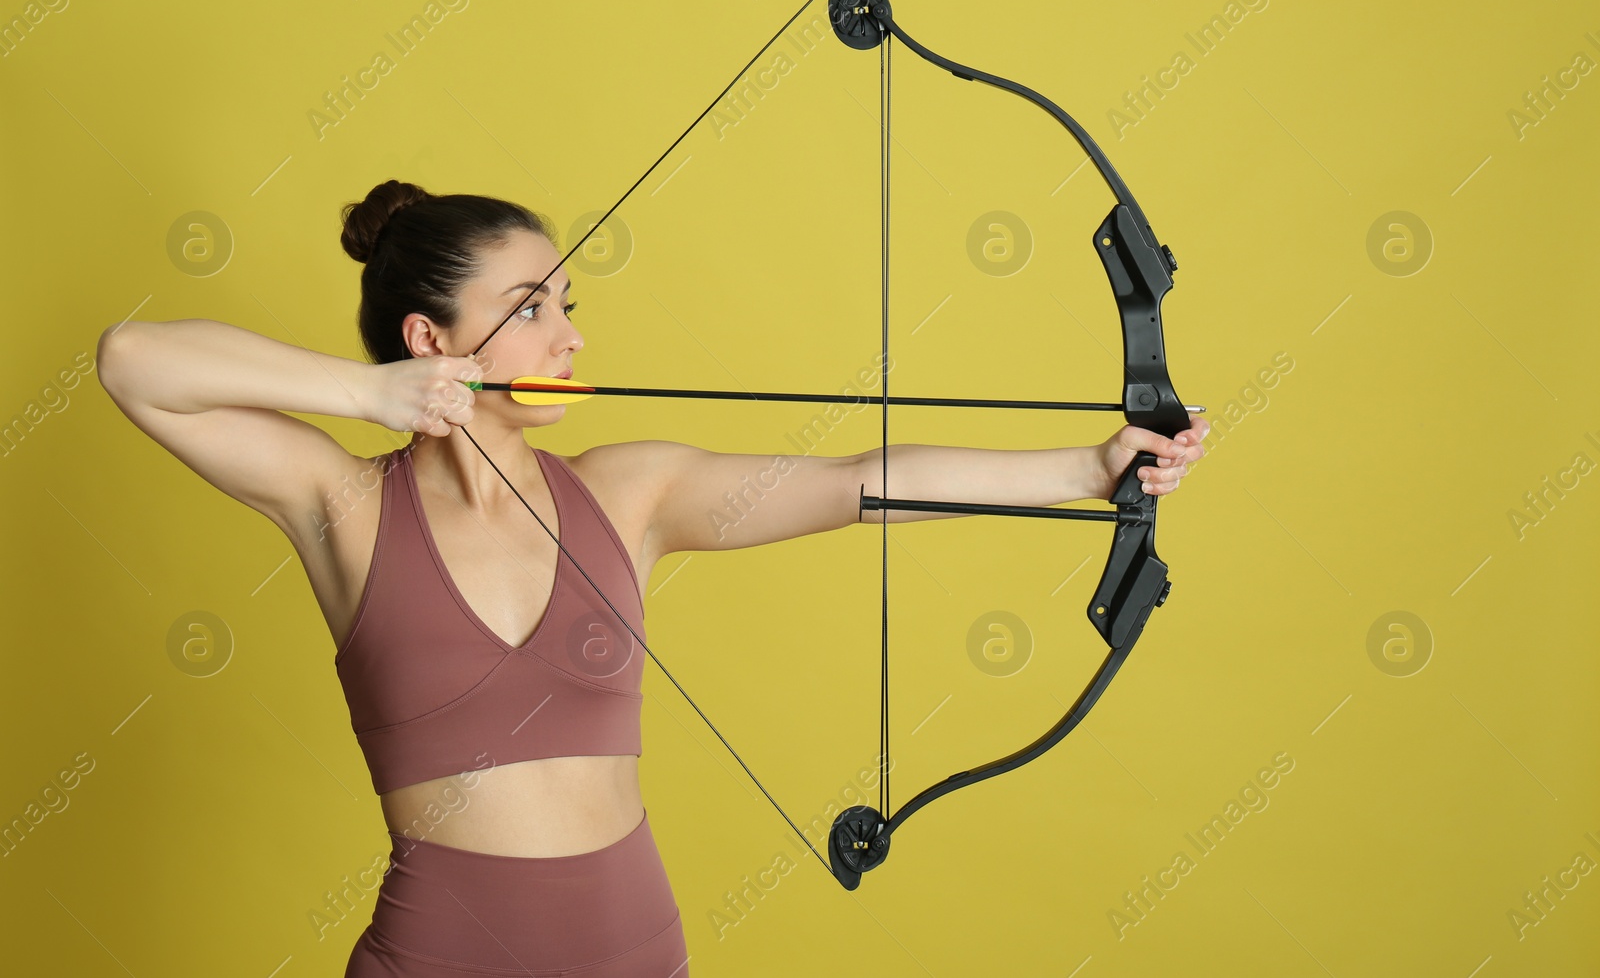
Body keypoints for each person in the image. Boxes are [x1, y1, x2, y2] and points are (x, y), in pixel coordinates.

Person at [95, 180, 1207, 976]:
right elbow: (132, 363)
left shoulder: (625, 494)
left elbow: (859, 481)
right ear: (430, 337)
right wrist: (364, 391)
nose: (570, 334)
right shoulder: (344, 504)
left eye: (568, 302)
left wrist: (1092, 466)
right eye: (531, 306)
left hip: (639, 950)